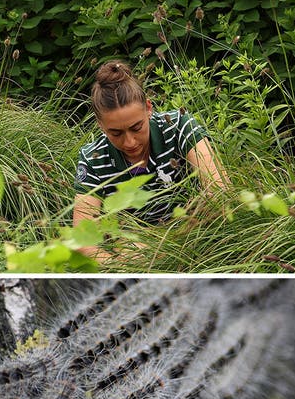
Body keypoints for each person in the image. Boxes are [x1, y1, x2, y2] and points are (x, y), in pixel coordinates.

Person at [73, 60, 229, 260]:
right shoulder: (93, 159)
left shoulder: (179, 125)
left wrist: (171, 241)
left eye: (137, 127)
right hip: (134, 251)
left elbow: (220, 191)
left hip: (198, 236)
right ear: (99, 124)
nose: (129, 142)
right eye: (116, 133)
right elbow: (83, 240)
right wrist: (123, 267)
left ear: (148, 108)